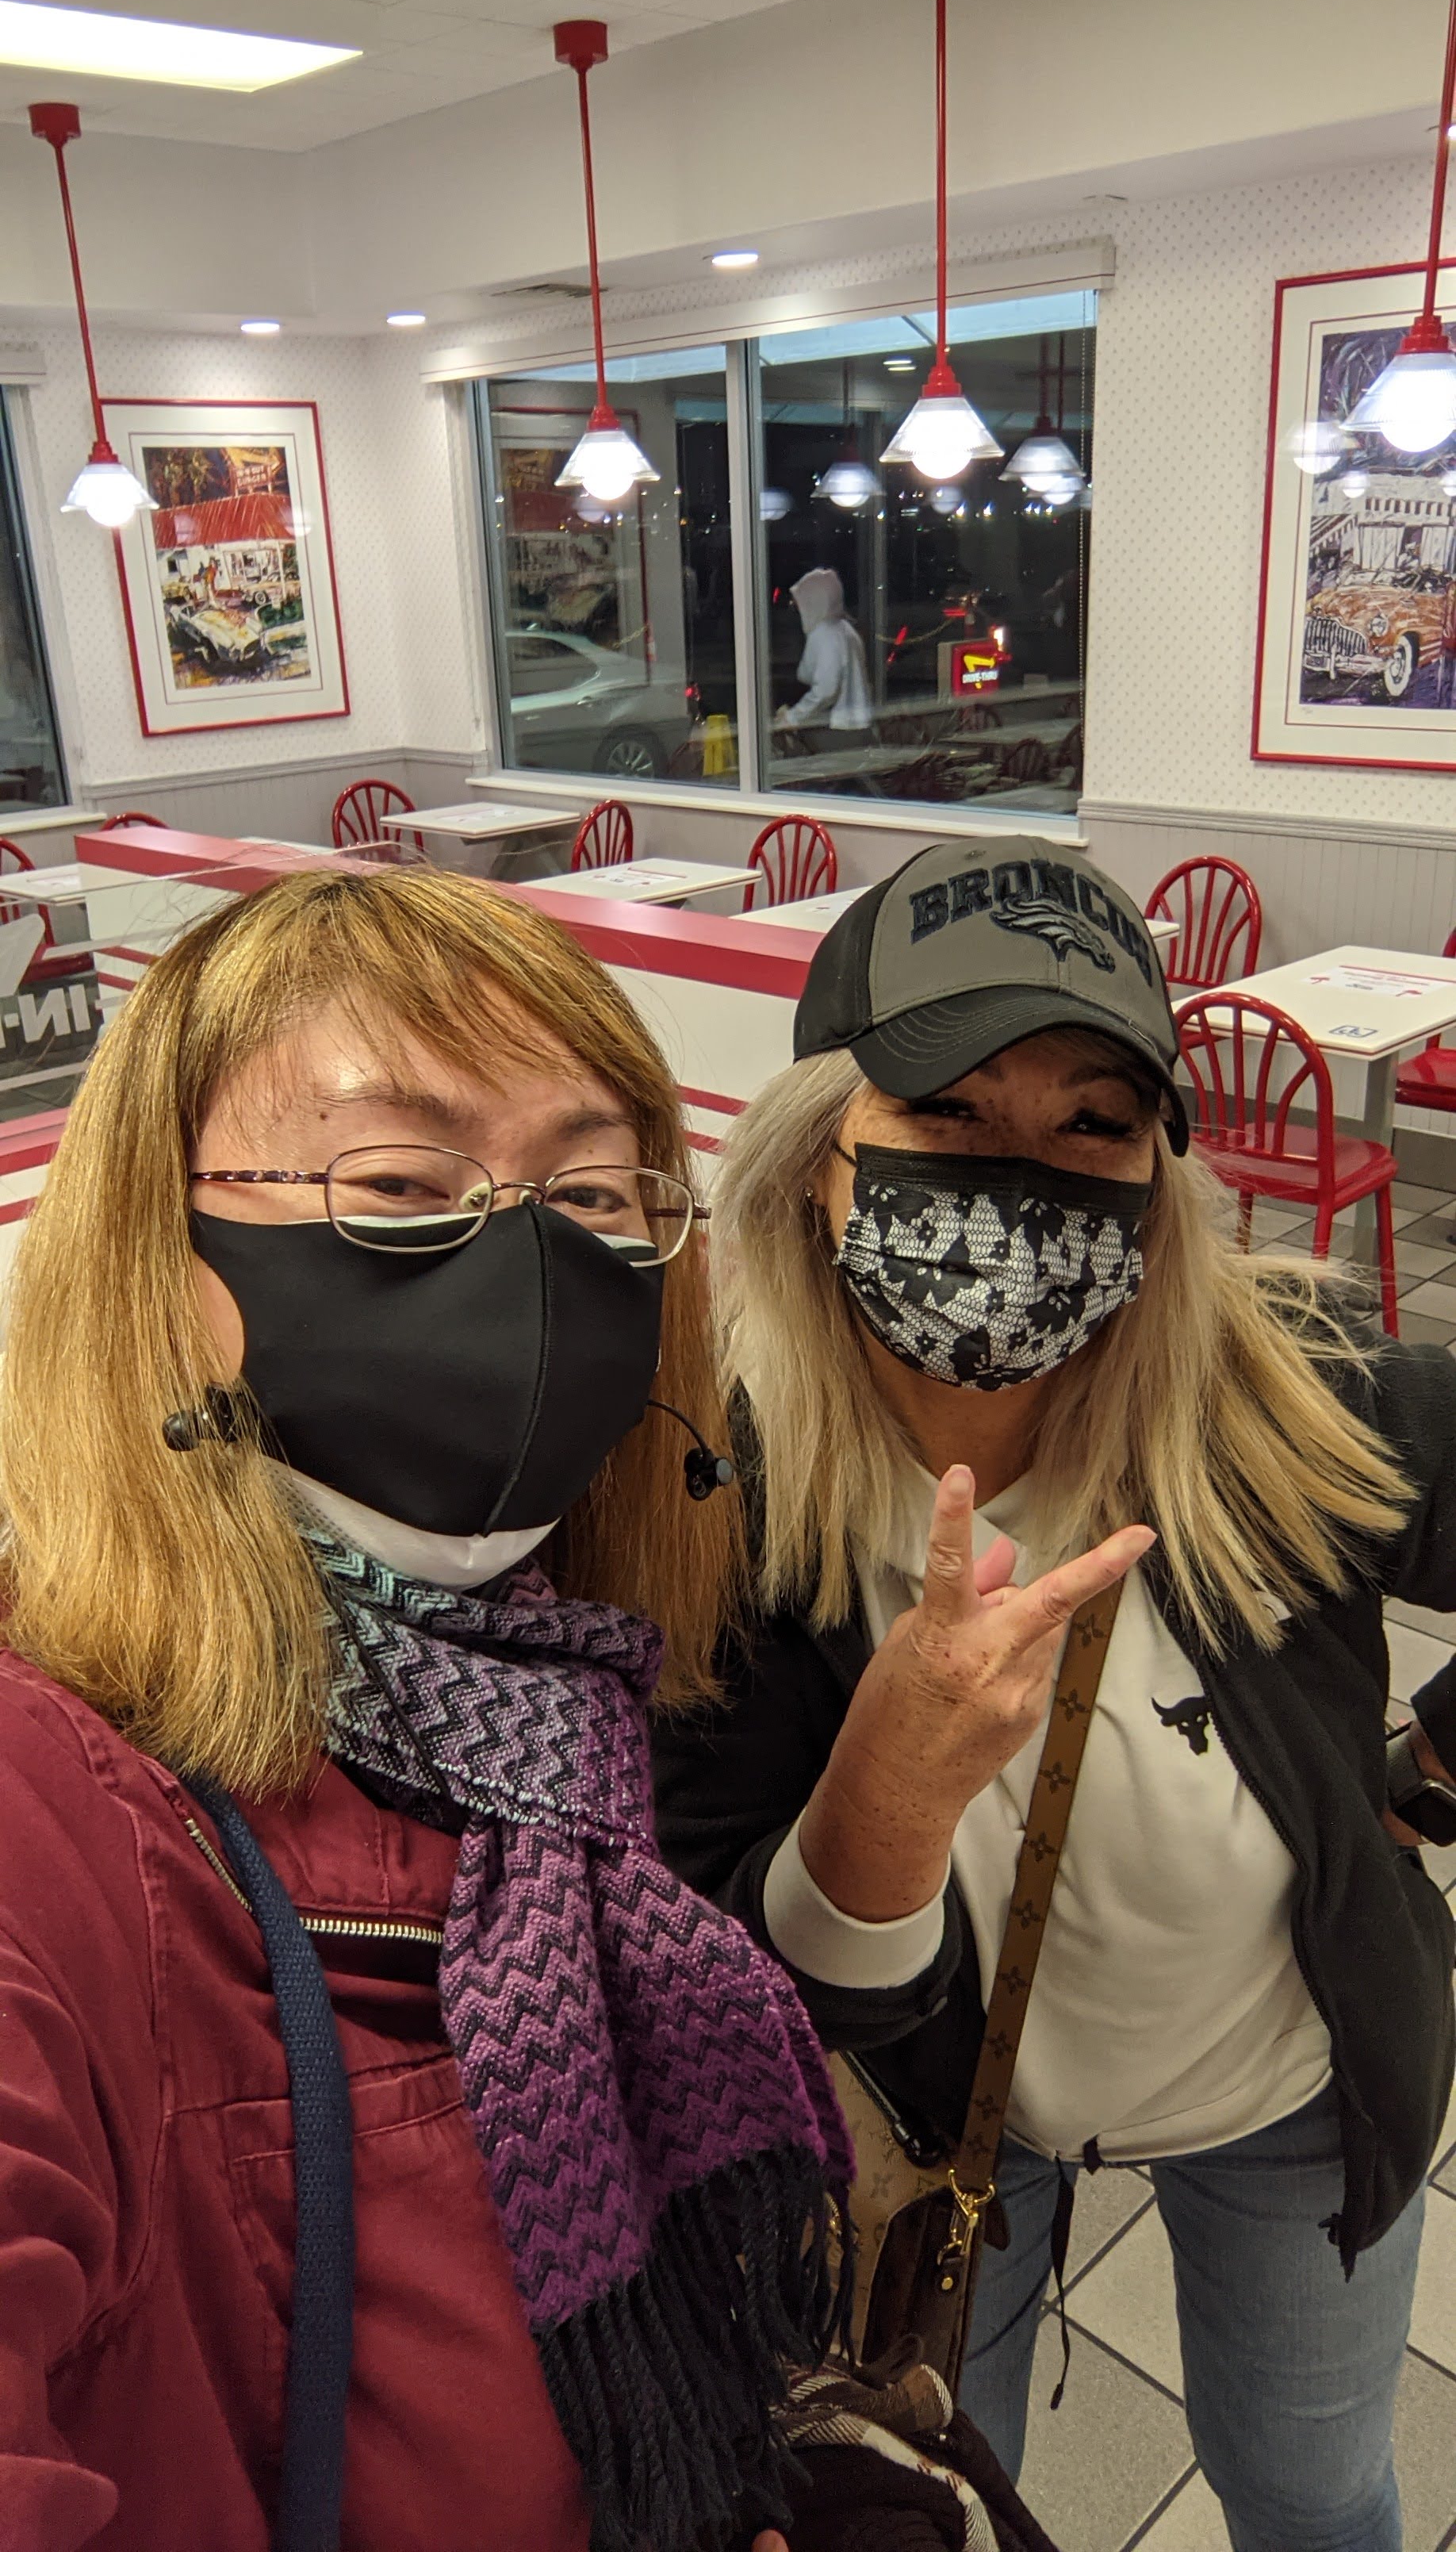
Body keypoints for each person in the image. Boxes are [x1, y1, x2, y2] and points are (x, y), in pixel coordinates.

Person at [0, 864, 856, 2552]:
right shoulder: (54, 1816)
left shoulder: (559, 1708)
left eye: (594, 1194)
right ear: (162, 1260)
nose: (530, 1264)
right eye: (398, 1180)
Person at [654, 835, 1456, 2552]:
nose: (1021, 1178)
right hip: (944, 2128)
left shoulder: (1288, 1402)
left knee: (1314, 2492)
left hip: (1289, 2088)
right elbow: (733, 1966)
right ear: (815, 1159)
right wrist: (887, 1797)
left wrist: (1434, 1774)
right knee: (944, 2496)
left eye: (1095, 1122)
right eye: (948, 1111)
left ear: (1160, 1176)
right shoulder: (715, 1498)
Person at [779, 568, 873, 750]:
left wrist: (793, 717)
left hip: (837, 730)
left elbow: (826, 690)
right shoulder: (846, 630)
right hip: (857, 726)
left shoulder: (826, 634)